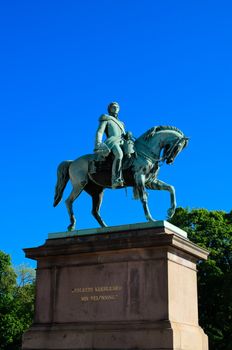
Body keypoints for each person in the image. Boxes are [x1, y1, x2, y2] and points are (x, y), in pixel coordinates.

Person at [94, 102, 126, 188]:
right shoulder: (106, 118)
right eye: (113, 107)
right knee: (119, 155)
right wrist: (98, 143)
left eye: (117, 107)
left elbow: (123, 135)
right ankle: (115, 179)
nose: (115, 109)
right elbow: (100, 132)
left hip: (122, 141)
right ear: (109, 109)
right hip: (112, 141)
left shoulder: (122, 123)